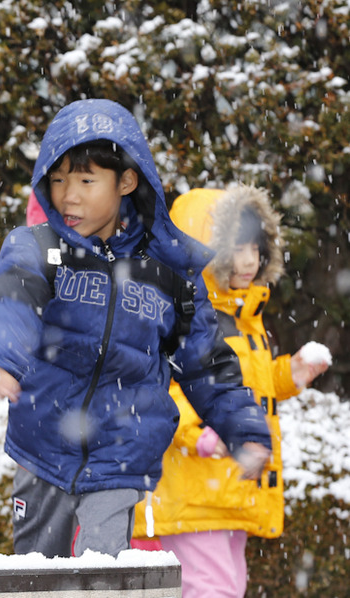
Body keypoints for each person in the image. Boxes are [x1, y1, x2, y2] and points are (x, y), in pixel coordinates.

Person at [0, 99, 272, 559]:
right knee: (36, 575)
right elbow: (12, 296)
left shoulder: (169, 271)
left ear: (126, 181)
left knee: (100, 575)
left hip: (121, 452)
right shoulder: (40, 247)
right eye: (59, 180)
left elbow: (205, 360)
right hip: (43, 444)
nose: (70, 195)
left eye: (86, 180)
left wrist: (243, 428)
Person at [132, 186, 330, 597]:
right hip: (191, 491)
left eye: (255, 249)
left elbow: (242, 389)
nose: (248, 260)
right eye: (236, 248)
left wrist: (289, 375)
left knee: (228, 585)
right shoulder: (190, 318)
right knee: (212, 589)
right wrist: (199, 435)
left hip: (228, 489)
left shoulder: (244, 319)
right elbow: (160, 391)